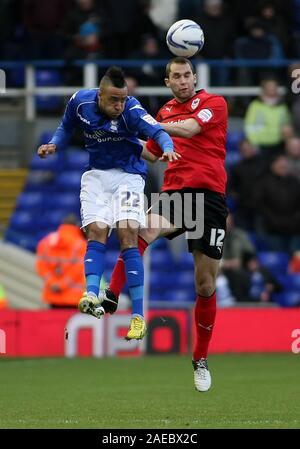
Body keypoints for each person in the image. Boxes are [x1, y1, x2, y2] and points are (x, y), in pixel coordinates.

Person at [96, 57, 228, 392]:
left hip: (209, 197)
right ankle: (111, 293)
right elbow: (152, 153)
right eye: (177, 77)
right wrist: (116, 134)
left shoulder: (214, 103)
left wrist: (147, 121)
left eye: (187, 75)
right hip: (177, 194)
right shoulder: (167, 110)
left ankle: (200, 358)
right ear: (167, 82)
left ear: (195, 77)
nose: (183, 81)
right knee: (141, 230)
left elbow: (192, 128)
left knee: (205, 285)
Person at [37, 66, 178, 340]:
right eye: (114, 100)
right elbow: (66, 126)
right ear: (100, 95)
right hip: (97, 176)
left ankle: (138, 317)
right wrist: (54, 143)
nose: (119, 105)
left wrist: (169, 147)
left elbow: (157, 132)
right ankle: (91, 294)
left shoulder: (132, 110)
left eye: (123, 99)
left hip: (128, 176)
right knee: (97, 230)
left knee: (128, 234)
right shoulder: (80, 102)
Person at [36, 214, 88, 308]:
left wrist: (53, 283)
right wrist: (62, 285)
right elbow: (77, 270)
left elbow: (41, 266)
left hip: (53, 296)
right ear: (77, 226)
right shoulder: (81, 244)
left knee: (54, 322)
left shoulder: (45, 242)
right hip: (73, 298)